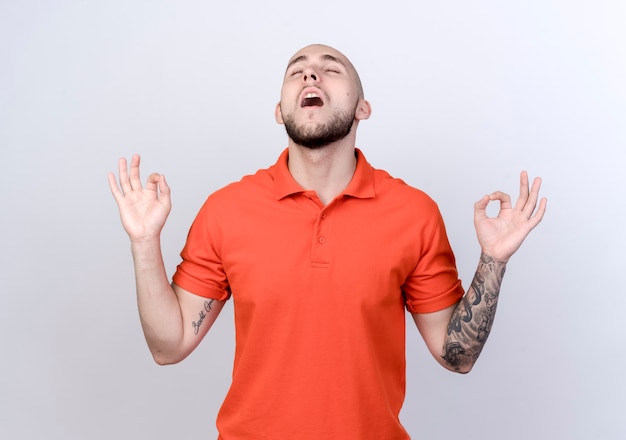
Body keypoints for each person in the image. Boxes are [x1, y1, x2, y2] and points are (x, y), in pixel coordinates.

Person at [108, 44, 547, 439]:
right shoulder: (227, 210)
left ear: (363, 108)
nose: (310, 75)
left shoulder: (414, 213)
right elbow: (169, 347)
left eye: (330, 69)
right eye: (296, 70)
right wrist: (144, 243)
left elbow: (457, 356)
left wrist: (493, 260)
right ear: (279, 111)